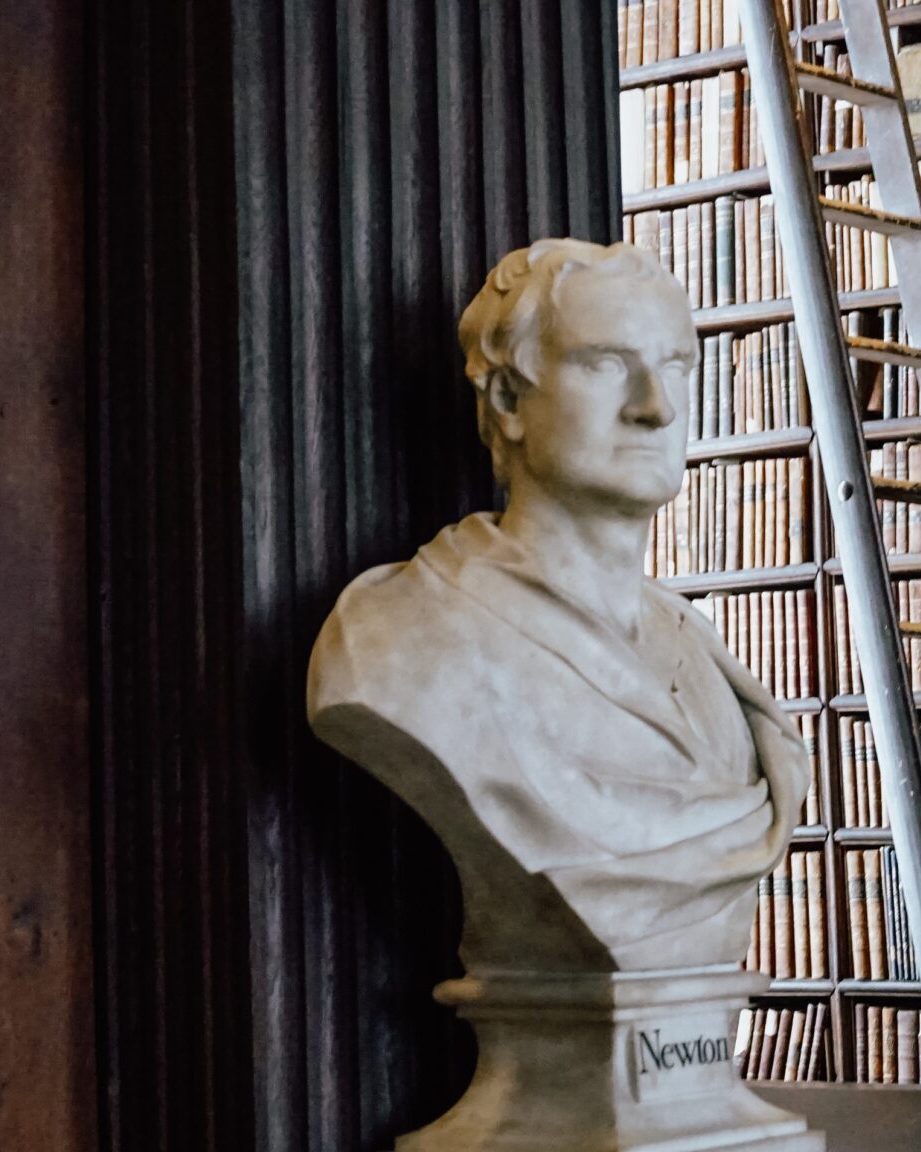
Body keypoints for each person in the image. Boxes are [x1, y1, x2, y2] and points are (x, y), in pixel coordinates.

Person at [310, 239, 812, 974]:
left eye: (677, 365)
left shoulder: (703, 654)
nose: (657, 406)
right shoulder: (399, 641)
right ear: (509, 400)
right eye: (607, 364)